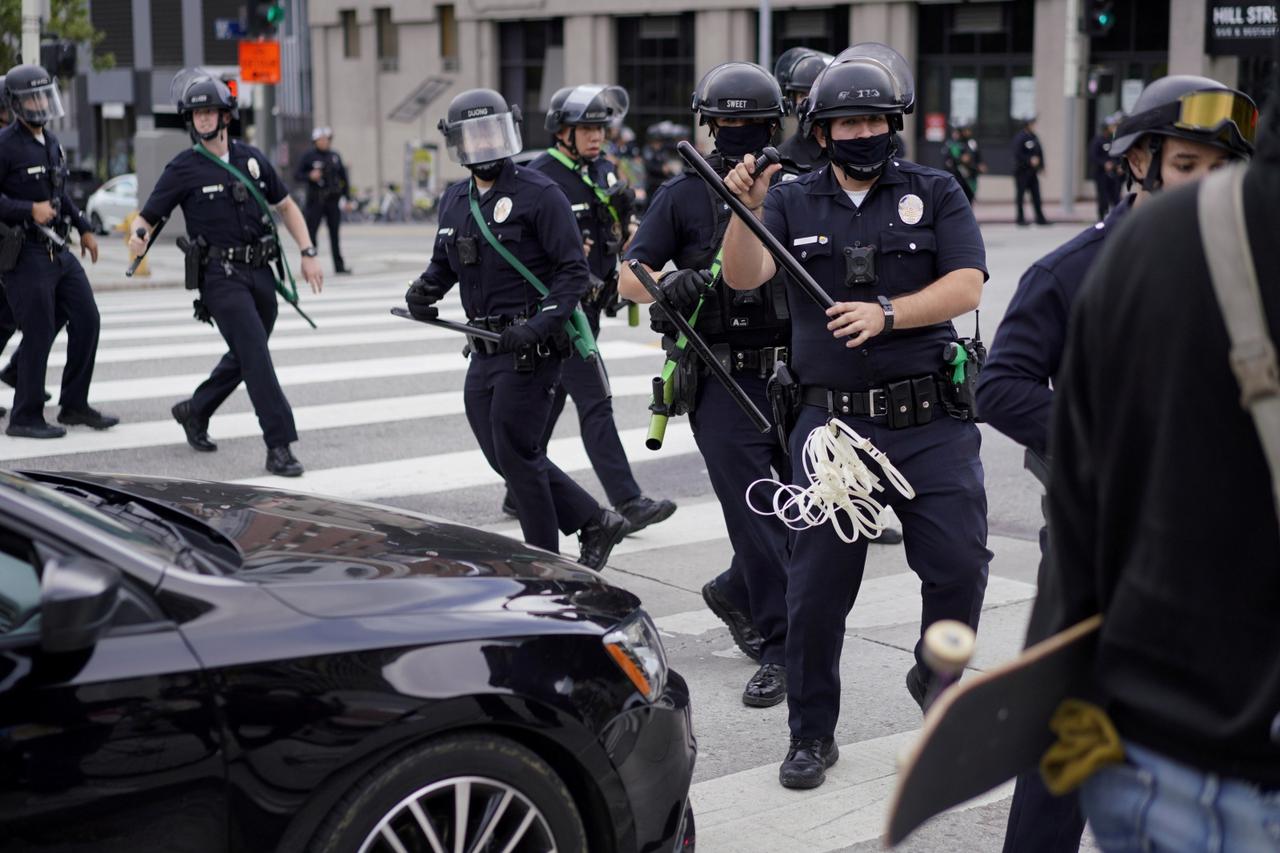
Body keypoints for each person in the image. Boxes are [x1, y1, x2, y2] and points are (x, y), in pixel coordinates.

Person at [977, 74, 1258, 853]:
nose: (1206, 184)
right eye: (1189, 164)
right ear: (1141, 162)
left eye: (1222, 169)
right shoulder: (1074, 271)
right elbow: (1001, 386)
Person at [720, 42, 991, 790]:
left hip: (930, 420)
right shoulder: (790, 199)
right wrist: (744, 209)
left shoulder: (934, 190)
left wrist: (888, 313)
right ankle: (811, 732)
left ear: (893, 124)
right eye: (848, 123)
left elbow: (967, 284)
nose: (863, 133)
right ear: (823, 131)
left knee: (960, 566)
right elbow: (744, 276)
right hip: (831, 429)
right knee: (815, 592)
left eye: (875, 121)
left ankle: (936, 680)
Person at [618, 61, 794, 711]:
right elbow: (628, 278)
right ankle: (781, 646)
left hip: (797, 372)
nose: (740, 134)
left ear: (775, 126)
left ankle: (734, 590)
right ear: (710, 126)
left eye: (755, 124)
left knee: (807, 511)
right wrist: (670, 284)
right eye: (726, 123)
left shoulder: (798, 187)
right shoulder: (684, 193)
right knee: (756, 514)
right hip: (720, 376)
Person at [404, 88, 629, 570]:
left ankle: (543, 565)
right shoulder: (454, 199)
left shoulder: (540, 194)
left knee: (517, 451)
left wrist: (540, 324)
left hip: (531, 349)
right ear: (459, 144)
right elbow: (444, 263)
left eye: (492, 133)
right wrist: (423, 291)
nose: (485, 145)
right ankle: (594, 520)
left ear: (508, 133)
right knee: (503, 454)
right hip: (484, 347)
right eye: (474, 136)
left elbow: (572, 272)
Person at [130, 69, 322, 476]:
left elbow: (286, 206)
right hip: (219, 277)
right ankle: (279, 445)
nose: (202, 119)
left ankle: (196, 410)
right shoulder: (183, 167)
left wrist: (307, 252)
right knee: (256, 356)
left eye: (209, 112)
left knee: (246, 353)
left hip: (261, 273)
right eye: (196, 114)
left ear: (226, 116)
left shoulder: (251, 160)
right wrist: (138, 236)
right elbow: (148, 216)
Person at [521, 84, 677, 532]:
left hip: (591, 308)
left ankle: (520, 482)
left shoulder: (603, 169)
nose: (596, 136)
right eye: (586, 128)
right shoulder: (540, 177)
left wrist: (628, 227)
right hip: (561, 312)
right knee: (595, 399)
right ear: (562, 131)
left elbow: (618, 226)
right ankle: (628, 500)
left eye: (601, 128)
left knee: (552, 400)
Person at [0, 64, 114, 438]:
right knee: (39, 329)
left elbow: (59, 193)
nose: (40, 103)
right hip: (24, 252)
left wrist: (84, 227)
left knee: (87, 318)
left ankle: (74, 405)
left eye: (43, 95)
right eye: (31, 98)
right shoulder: (5, 144)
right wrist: (27, 209)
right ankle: (25, 417)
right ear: (15, 103)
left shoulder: (49, 141)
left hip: (58, 249)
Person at [294, 127, 351, 274]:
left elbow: (344, 178)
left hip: (332, 200)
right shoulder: (309, 156)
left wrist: (347, 198)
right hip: (316, 201)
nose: (325, 142)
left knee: (335, 235)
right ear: (315, 141)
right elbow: (297, 175)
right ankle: (311, 266)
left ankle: (339, 267)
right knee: (311, 235)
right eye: (322, 139)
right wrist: (310, 176)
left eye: (327, 139)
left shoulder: (335, 156)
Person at [774, 47, 833, 170]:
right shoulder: (782, 159)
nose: (808, 102)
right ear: (793, 100)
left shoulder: (849, 148)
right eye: (802, 95)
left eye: (815, 94)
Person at [1012, 117, 1050, 225]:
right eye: (1032, 124)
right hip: (1022, 172)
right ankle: (1020, 219)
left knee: (1036, 195)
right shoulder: (1020, 137)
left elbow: (1040, 152)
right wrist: (1029, 160)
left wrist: (1042, 166)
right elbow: (1017, 153)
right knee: (1021, 196)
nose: (1034, 126)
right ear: (1027, 125)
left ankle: (1040, 218)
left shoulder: (1034, 137)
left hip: (1033, 173)